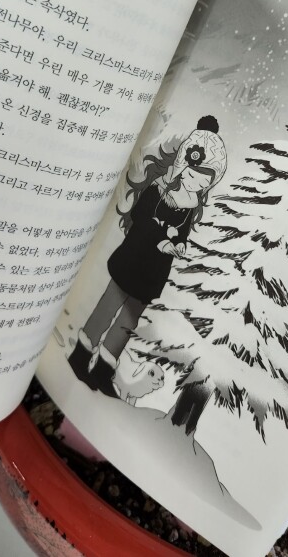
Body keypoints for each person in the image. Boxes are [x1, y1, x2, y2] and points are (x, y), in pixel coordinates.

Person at [68, 115, 227, 397]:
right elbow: (141, 217)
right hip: (132, 259)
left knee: (128, 321)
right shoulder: (158, 189)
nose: (196, 184)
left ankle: (103, 369)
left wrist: (178, 244)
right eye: (194, 175)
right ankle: (80, 356)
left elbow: (181, 233)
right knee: (108, 308)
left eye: (204, 182)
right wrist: (161, 239)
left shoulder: (190, 204)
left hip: (153, 272)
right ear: (183, 166)